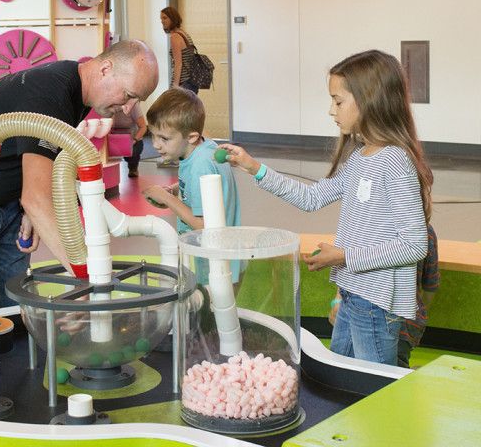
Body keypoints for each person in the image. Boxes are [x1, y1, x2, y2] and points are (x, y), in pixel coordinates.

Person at [0, 40, 158, 310]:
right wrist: (87, 275)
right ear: (106, 69)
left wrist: (28, 211)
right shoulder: (50, 92)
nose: (130, 109)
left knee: (15, 314)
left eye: (137, 101)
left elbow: (38, 165)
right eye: (129, 94)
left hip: (3, 202)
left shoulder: (75, 89)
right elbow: (37, 198)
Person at [218, 50, 433, 366]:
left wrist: (343, 256)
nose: (331, 110)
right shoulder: (360, 157)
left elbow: (414, 245)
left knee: (371, 388)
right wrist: (254, 168)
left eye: (338, 101)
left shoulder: (395, 161)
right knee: (341, 379)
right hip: (352, 295)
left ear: (369, 99)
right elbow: (311, 198)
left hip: (375, 303)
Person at [141, 87, 243, 286]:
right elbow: (200, 186)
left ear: (192, 137)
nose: (156, 145)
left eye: (164, 138)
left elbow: (203, 224)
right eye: (153, 135)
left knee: (213, 312)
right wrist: (173, 189)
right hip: (222, 252)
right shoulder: (205, 148)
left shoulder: (199, 165)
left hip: (215, 258)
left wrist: (167, 199)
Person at [328, 224, 440, 368]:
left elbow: (349, 263)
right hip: (367, 311)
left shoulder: (419, 231)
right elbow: (430, 286)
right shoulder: (423, 230)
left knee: (383, 372)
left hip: (391, 317)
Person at [160, 6, 198, 94]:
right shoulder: (184, 34)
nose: (162, 21)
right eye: (161, 18)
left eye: (165, 18)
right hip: (191, 82)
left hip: (183, 83)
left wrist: (175, 87)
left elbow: (178, 64)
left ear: (173, 18)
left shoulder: (175, 37)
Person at [113, 101, 147, 178]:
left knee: (133, 152)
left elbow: (143, 127)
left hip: (132, 138)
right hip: (114, 136)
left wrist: (134, 140)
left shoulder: (133, 104)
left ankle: (133, 167)